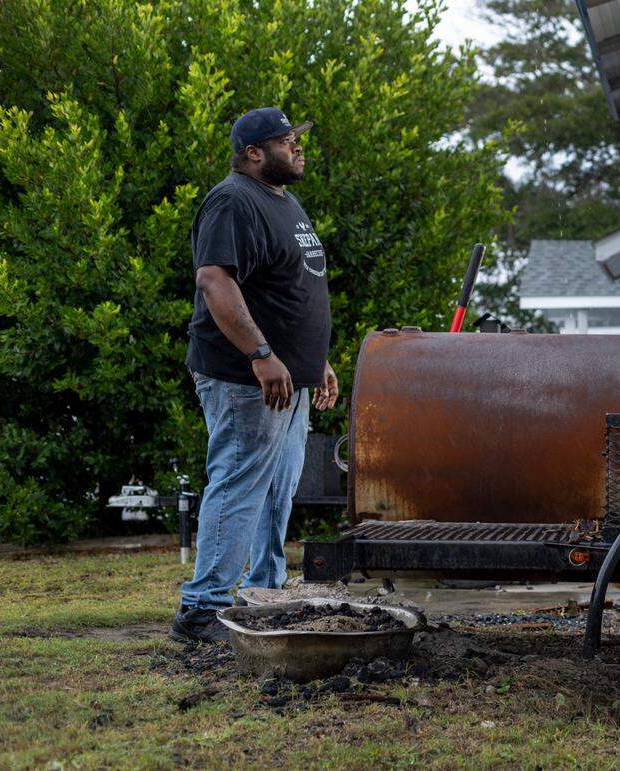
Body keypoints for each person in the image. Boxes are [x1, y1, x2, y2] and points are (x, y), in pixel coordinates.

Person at [171, 107, 339, 643]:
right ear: (253, 153)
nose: (299, 148)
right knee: (240, 482)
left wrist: (318, 362)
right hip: (247, 377)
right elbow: (215, 281)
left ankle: (264, 592)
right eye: (288, 141)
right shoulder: (231, 200)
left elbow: (293, 289)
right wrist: (262, 355)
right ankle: (201, 609)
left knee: (278, 489)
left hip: (291, 379)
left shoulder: (284, 203)